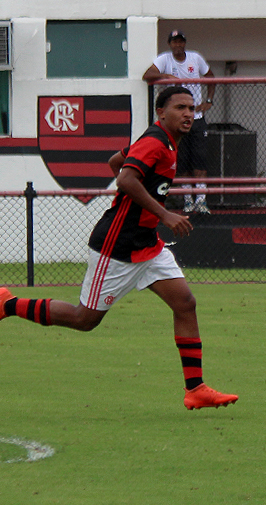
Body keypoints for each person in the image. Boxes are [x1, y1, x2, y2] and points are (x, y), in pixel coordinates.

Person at [0, 87, 238, 411]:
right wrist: (163, 213)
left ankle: (195, 389)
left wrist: (140, 207)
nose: (187, 113)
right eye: (180, 107)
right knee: (85, 319)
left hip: (147, 244)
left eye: (191, 108)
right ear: (161, 113)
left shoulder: (167, 143)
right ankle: (8, 303)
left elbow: (116, 161)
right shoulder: (155, 142)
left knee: (185, 303)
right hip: (117, 246)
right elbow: (125, 179)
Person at [143, 29, 215, 215]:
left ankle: (201, 200)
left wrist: (208, 101)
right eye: (174, 41)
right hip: (176, 120)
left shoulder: (195, 58)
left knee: (200, 159)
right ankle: (188, 200)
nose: (178, 45)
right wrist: (166, 77)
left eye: (181, 41)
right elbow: (147, 75)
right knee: (181, 160)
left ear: (184, 43)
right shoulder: (165, 59)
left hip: (196, 117)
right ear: (170, 44)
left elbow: (211, 77)